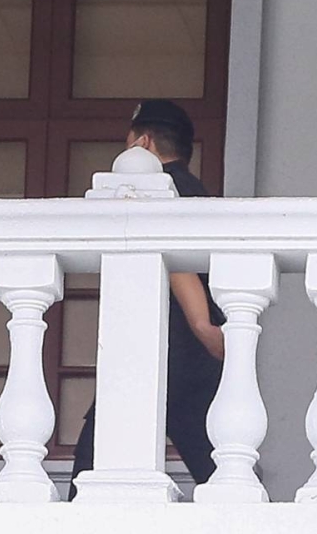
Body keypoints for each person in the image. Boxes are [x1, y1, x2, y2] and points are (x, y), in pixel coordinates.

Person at [69, 99, 225, 500]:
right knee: (222, 471)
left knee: (89, 472)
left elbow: (175, 262)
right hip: (197, 363)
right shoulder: (199, 194)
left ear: (143, 142)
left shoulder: (155, 189)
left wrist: (201, 323)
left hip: (162, 354)